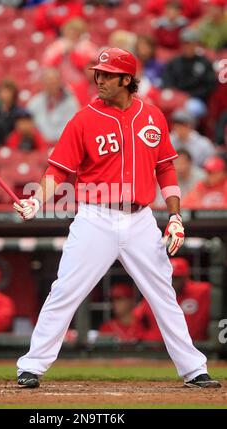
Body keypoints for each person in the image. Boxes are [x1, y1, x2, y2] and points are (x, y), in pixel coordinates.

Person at [13, 48, 220, 389]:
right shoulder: (83, 118)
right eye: (98, 73)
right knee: (65, 290)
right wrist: (37, 201)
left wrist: (175, 216)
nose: (100, 80)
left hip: (140, 219)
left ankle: (194, 369)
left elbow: (165, 168)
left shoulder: (152, 116)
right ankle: (32, 365)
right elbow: (58, 170)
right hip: (96, 217)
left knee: (163, 294)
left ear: (127, 79)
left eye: (108, 75)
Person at [133, 258, 211, 341]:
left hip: (196, 346)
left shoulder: (202, 291)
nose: (171, 281)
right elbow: (136, 318)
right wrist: (149, 338)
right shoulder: (156, 294)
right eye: (169, 277)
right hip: (162, 348)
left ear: (186, 277)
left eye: (175, 278)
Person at [162, 28, 217, 119]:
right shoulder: (174, 61)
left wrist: (189, 95)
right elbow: (166, 80)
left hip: (195, 99)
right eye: (184, 44)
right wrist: (175, 94)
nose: (187, 47)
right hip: (176, 97)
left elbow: (209, 86)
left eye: (190, 44)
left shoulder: (204, 62)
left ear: (196, 44)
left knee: (189, 108)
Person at [27, 67, 79, 145]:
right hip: (41, 145)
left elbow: (72, 127)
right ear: (43, 84)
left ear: (59, 82)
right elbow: (27, 121)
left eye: (53, 82)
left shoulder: (70, 102)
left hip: (63, 144)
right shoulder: (35, 102)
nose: (51, 86)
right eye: (47, 82)